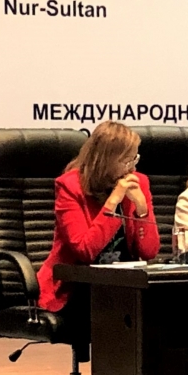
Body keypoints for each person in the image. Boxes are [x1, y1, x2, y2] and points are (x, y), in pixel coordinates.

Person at [37, 121, 159, 314]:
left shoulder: (139, 183)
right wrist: (114, 201)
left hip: (124, 285)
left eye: (134, 159)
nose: (131, 169)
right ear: (105, 161)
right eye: (125, 161)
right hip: (78, 287)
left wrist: (142, 210)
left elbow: (149, 252)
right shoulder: (70, 187)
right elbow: (85, 250)